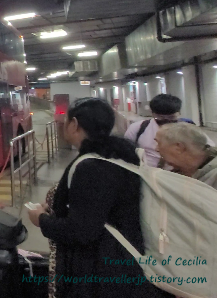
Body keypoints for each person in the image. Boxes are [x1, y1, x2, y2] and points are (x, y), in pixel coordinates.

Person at [28, 98, 165, 298]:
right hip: (120, 265)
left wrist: (41, 219)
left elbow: (82, 232)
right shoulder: (117, 155)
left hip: (100, 275)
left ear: (74, 124)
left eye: (66, 121)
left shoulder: (91, 167)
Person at [124, 94, 212, 167]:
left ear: (179, 113)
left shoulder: (190, 130)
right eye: (160, 117)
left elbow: (209, 150)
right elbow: (126, 151)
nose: (166, 120)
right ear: (152, 113)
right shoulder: (138, 128)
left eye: (171, 117)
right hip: (148, 173)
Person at [155, 122, 217, 189]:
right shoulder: (183, 170)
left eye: (159, 143)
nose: (156, 149)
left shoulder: (213, 177)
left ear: (178, 148)